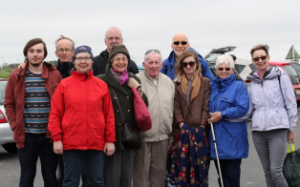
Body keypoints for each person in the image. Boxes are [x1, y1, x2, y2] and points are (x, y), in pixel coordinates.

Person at [48, 45, 116, 187]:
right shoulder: (64, 85)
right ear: (74, 61)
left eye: (86, 58)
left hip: (96, 143)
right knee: (71, 181)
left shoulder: (101, 85)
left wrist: (110, 140)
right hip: (71, 143)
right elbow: (55, 114)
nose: (83, 61)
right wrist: (57, 138)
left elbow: (108, 114)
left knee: (97, 182)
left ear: (92, 61)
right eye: (79, 58)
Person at [4, 38, 62, 187]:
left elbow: (63, 103)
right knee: (27, 176)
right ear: (26, 53)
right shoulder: (16, 75)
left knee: (50, 177)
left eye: (39, 51)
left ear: (44, 54)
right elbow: (9, 103)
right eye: (32, 51)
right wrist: (15, 125)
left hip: (49, 136)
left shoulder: (55, 74)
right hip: (26, 135)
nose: (35, 54)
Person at [245, 44, 297, 187]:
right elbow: (250, 108)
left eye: (263, 57)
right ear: (253, 61)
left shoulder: (280, 76)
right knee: (267, 171)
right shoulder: (252, 81)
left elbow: (291, 103)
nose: (260, 60)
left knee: (276, 171)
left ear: (268, 58)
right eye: (256, 58)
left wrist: (291, 128)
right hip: (258, 132)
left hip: (278, 129)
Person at [98, 44, 147, 187]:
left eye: (124, 59)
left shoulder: (133, 79)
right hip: (111, 134)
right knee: (112, 178)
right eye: (117, 59)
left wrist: (137, 89)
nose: (121, 62)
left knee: (126, 178)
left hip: (129, 134)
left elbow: (143, 106)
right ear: (111, 62)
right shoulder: (101, 80)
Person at [132, 49, 175, 187]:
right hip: (142, 138)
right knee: (140, 177)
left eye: (157, 62)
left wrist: (171, 136)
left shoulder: (168, 82)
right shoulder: (135, 81)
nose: (154, 65)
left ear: (161, 64)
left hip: (162, 139)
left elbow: (172, 109)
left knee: (159, 177)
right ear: (144, 64)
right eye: (150, 62)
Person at [207, 55, 249, 187]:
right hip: (216, 139)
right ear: (216, 69)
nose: (224, 71)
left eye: (227, 68)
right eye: (220, 68)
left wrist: (222, 115)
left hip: (233, 140)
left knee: (231, 178)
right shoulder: (212, 86)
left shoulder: (238, 86)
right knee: (222, 177)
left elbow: (242, 107)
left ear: (232, 69)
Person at [171, 50, 211, 186]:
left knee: (201, 168)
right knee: (182, 168)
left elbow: (206, 105)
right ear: (181, 66)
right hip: (182, 132)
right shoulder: (176, 84)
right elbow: (175, 105)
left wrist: (201, 125)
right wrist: (181, 123)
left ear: (197, 64)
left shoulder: (205, 82)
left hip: (200, 132)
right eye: (185, 64)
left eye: (191, 63)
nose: (189, 66)